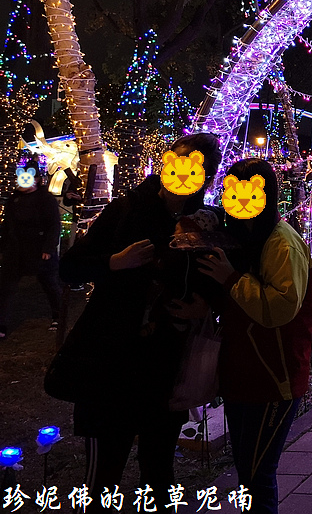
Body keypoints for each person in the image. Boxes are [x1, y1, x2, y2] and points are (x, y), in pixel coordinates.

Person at [58, 133, 224, 509]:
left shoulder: (206, 222)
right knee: (103, 477)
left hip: (165, 368)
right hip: (111, 365)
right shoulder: (127, 210)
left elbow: (221, 280)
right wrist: (114, 262)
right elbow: (70, 268)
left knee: (159, 473)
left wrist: (206, 306)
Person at [196, 158, 312, 514]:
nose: (240, 202)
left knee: (258, 474)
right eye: (232, 193)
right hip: (242, 373)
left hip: (273, 376)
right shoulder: (245, 238)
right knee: (248, 470)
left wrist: (231, 279)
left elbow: (280, 308)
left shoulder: (282, 243)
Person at [0, 161, 63, 339]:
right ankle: (2, 324)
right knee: (6, 287)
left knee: (49, 284)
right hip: (16, 250)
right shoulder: (14, 199)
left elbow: (53, 225)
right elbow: (8, 224)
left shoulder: (45, 199)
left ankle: (59, 315)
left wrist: (48, 248)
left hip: (38, 249)